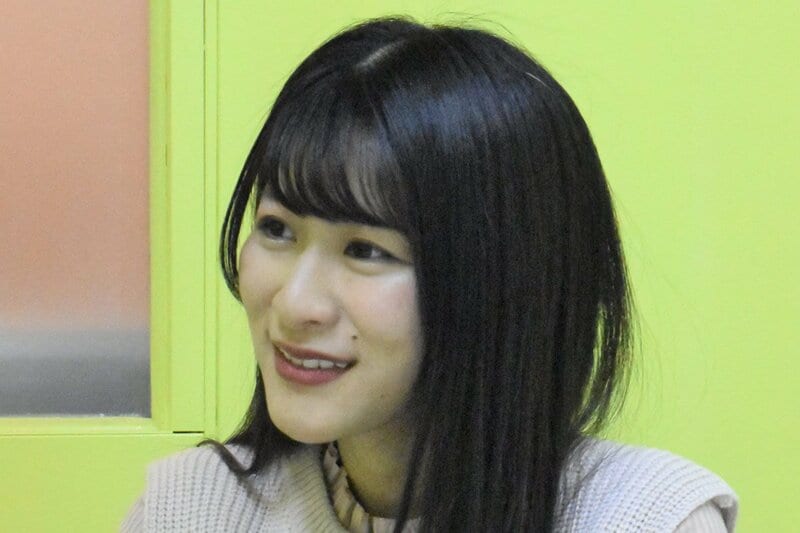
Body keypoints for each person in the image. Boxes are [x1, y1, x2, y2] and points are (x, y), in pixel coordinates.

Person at [122, 16, 739, 532]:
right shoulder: (187, 510)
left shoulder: (644, 518)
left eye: (366, 250)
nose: (294, 303)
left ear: (501, 282)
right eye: (278, 229)